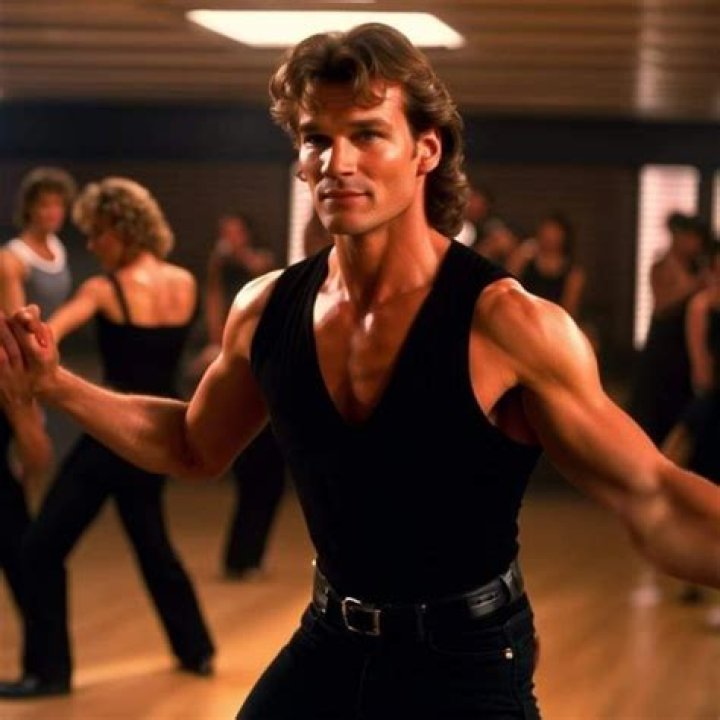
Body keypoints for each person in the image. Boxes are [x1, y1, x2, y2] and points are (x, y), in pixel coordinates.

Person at [0, 24, 718, 718]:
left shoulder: (507, 324)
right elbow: (192, 445)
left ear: (425, 150)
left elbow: (656, 499)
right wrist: (57, 384)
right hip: (330, 640)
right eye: (317, 138)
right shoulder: (266, 309)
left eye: (368, 134)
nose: (338, 162)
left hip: (467, 656)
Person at [0, 177, 215, 699]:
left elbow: (48, 334)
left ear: (123, 228)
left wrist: (23, 331)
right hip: (161, 434)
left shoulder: (103, 289)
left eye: (97, 234)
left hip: (112, 434)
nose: (93, 246)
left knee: (39, 548)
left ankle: (48, 673)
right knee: (151, 541)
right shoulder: (184, 283)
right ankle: (196, 648)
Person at [0, 167, 75, 690]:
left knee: (19, 527)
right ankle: (45, 664)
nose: (52, 213)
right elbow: (16, 330)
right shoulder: (12, 259)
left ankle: (45, 665)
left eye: (58, 205)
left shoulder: (60, 252)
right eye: (44, 205)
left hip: (32, 377)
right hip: (17, 374)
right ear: (29, 208)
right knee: (20, 532)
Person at [201, 212, 286, 580]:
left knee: (267, 476)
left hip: (262, 362)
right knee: (256, 471)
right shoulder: (219, 263)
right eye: (225, 231)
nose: (229, 237)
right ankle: (242, 556)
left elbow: (263, 292)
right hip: (240, 365)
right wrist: (217, 343)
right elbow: (214, 301)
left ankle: (249, 554)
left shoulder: (263, 261)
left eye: (235, 231)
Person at [663, 240, 720, 620]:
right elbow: (700, 368)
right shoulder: (701, 305)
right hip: (713, 403)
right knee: (701, 487)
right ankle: (694, 574)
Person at [628, 212, 709, 445]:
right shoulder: (660, 266)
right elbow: (662, 305)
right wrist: (695, 285)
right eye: (690, 237)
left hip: (686, 349)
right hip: (662, 349)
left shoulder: (699, 268)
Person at [508, 212, 585, 319]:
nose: (549, 237)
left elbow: (570, 309)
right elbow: (508, 286)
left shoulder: (572, 272)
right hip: (523, 316)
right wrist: (519, 256)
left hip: (554, 321)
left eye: (554, 233)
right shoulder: (526, 259)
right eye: (546, 231)